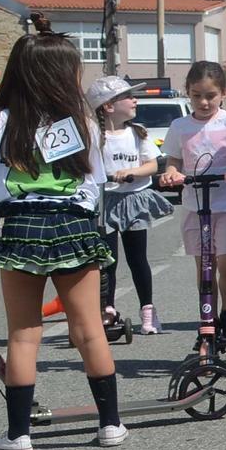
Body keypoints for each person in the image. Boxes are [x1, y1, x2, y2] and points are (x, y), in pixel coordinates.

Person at [0, 18, 125, 450]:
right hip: (75, 225)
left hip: (20, 228)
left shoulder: (1, 121)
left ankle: (19, 435)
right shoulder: (82, 122)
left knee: (24, 332)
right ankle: (110, 425)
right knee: (89, 329)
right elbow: (96, 180)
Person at [159, 61, 226, 342]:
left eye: (210, 96)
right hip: (194, 205)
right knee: (204, 265)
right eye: (196, 96)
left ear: (223, 94)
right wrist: (171, 172)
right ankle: (209, 319)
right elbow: (174, 159)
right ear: (188, 94)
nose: (203, 102)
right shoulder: (180, 125)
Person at [90, 76, 172, 335]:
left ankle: (147, 309)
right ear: (108, 106)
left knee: (138, 259)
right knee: (108, 261)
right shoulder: (95, 136)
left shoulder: (137, 132)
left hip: (133, 200)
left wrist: (133, 172)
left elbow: (153, 163)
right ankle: (107, 308)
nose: (135, 100)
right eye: (128, 97)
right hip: (105, 204)